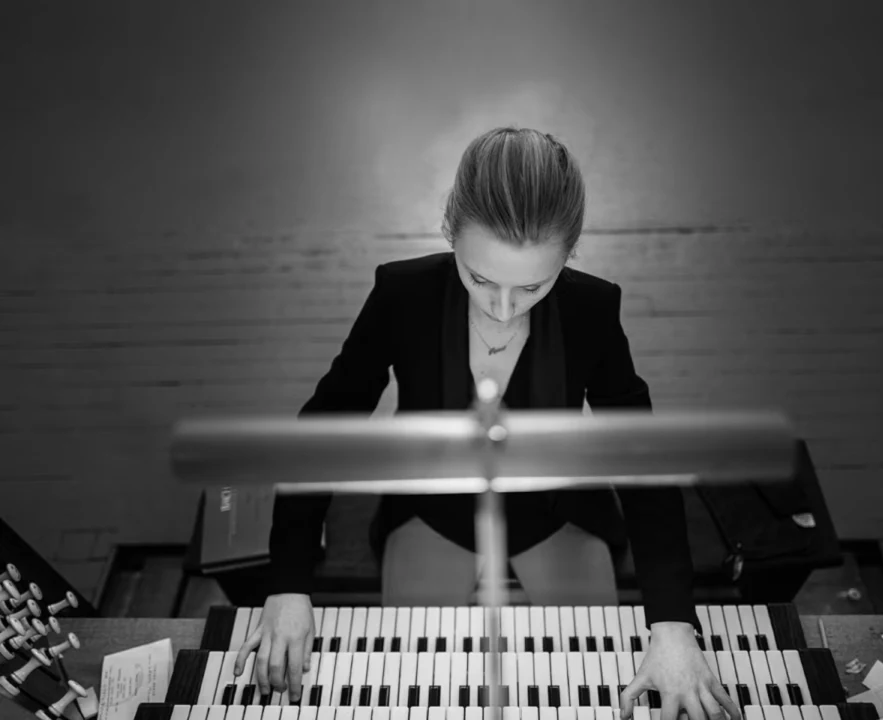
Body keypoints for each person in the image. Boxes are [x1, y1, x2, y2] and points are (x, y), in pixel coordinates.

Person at [234, 127, 741, 720]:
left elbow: (641, 457)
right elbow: (326, 424)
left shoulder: (592, 309)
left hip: (556, 514)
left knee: (587, 690)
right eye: (480, 279)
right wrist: (288, 582)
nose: (503, 309)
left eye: (532, 286)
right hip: (433, 513)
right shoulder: (401, 294)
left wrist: (674, 622)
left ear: (569, 255)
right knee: (418, 690)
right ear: (450, 232)